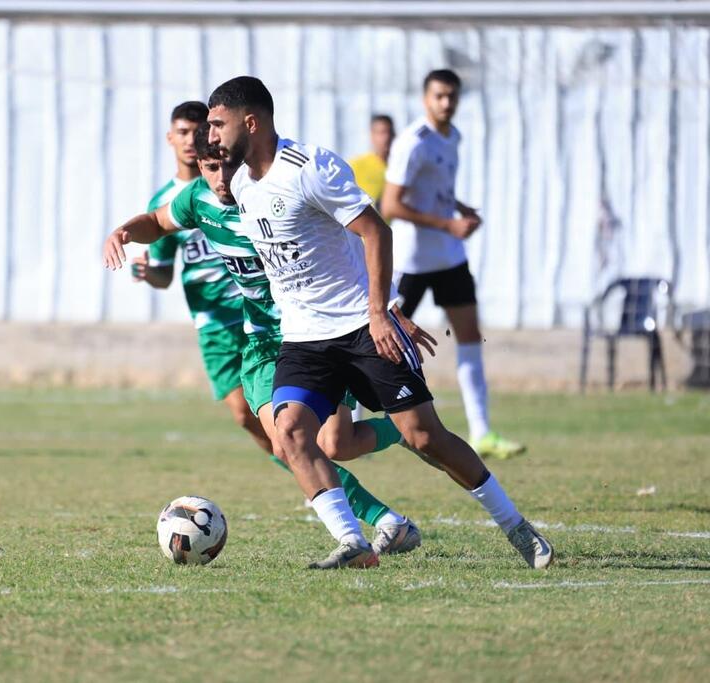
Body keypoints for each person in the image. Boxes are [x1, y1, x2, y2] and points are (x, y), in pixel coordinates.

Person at [206, 75, 552, 570]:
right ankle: (353, 543)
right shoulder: (239, 184)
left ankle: (516, 526)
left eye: (218, 124)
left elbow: (375, 232)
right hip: (304, 340)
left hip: (362, 329)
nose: (211, 134)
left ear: (251, 121)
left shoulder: (310, 168)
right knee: (292, 434)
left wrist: (384, 312)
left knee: (425, 438)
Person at [103, 123, 425, 556]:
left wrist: (390, 309)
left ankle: (402, 434)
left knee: (336, 444)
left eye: (226, 165)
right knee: (284, 441)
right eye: (210, 167)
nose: (220, 178)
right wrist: (122, 231)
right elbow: (158, 224)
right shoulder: (194, 200)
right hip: (257, 340)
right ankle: (366, 533)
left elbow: (353, 245)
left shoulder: (273, 196)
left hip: (316, 334)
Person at [381, 70, 525, 460]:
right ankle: (356, 423)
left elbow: (434, 192)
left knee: (469, 336)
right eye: (440, 96)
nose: (446, 103)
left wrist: (457, 208)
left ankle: (481, 431)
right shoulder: (413, 142)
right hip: (411, 260)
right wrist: (447, 222)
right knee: (379, 338)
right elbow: (391, 206)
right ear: (426, 98)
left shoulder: (453, 136)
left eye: (452, 97)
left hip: (449, 258)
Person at [131, 101, 272, 455]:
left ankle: (325, 481)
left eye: (199, 131)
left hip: (261, 313)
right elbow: (164, 275)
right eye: (182, 132)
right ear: (170, 138)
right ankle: (317, 479)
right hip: (214, 326)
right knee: (244, 414)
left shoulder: (240, 184)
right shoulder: (168, 202)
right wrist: (149, 273)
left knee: (294, 417)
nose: (191, 140)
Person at [348, 115, 394, 204]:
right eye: (381, 133)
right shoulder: (356, 165)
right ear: (372, 135)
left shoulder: (400, 166)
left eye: (389, 132)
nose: (386, 138)